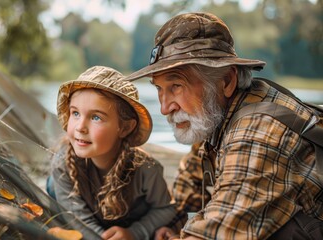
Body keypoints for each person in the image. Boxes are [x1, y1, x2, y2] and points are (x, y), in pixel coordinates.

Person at [125, 12, 323, 239]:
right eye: (159, 88)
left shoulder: (259, 132)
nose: (164, 108)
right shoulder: (213, 116)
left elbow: (215, 235)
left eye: (176, 86)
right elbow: (190, 182)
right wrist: (167, 223)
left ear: (227, 81)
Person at [49, 66, 177, 240]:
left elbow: (166, 209)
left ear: (125, 128)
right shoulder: (63, 162)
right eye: (75, 113)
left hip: (130, 222)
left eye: (96, 117)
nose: (80, 127)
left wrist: (134, 233)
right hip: (92, 226)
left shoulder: (147, 169)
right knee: (51, 186)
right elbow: (77, 219)